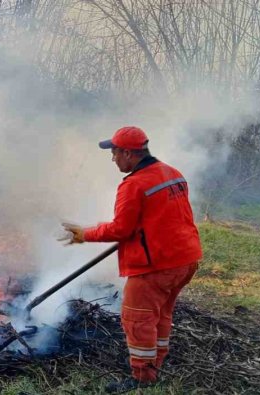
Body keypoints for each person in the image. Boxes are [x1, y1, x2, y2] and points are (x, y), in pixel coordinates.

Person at [60, 126, 202, 393]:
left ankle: (142, 377)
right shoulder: (173, 173)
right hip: (186, 259)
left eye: (114, 153)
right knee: (160, 314)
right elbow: (163, 216)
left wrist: (84, 234)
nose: (113, 159)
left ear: (128, 153)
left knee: (136, 319)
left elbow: (121, 230)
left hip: (156, 265)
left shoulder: (134, 184)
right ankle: (155, 364)